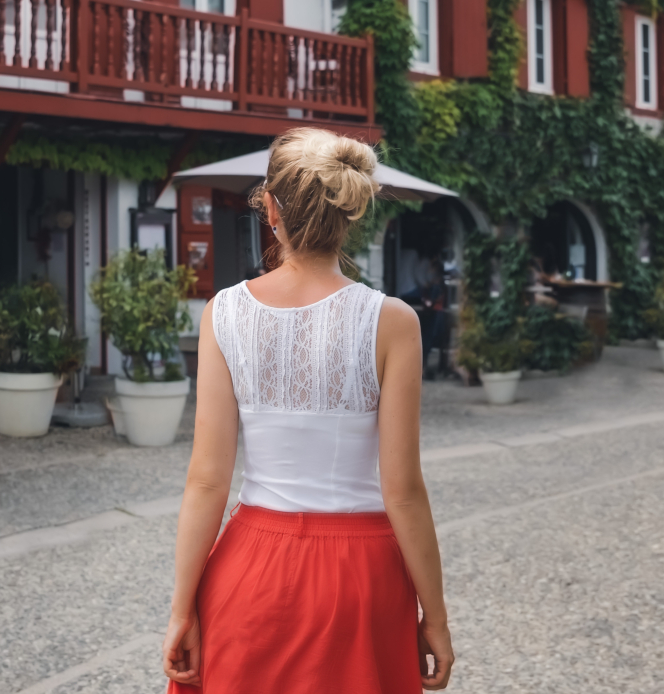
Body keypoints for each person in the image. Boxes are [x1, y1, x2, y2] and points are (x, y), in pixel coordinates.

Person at [163, 128, 455, 692]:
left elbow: (206, 481)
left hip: (250, 568)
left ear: (270, 208)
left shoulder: (223, 313)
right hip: (362, 577)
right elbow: (403, 491)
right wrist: (434, 616)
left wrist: (182, 609)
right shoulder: (393, 321)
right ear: (349, 213)